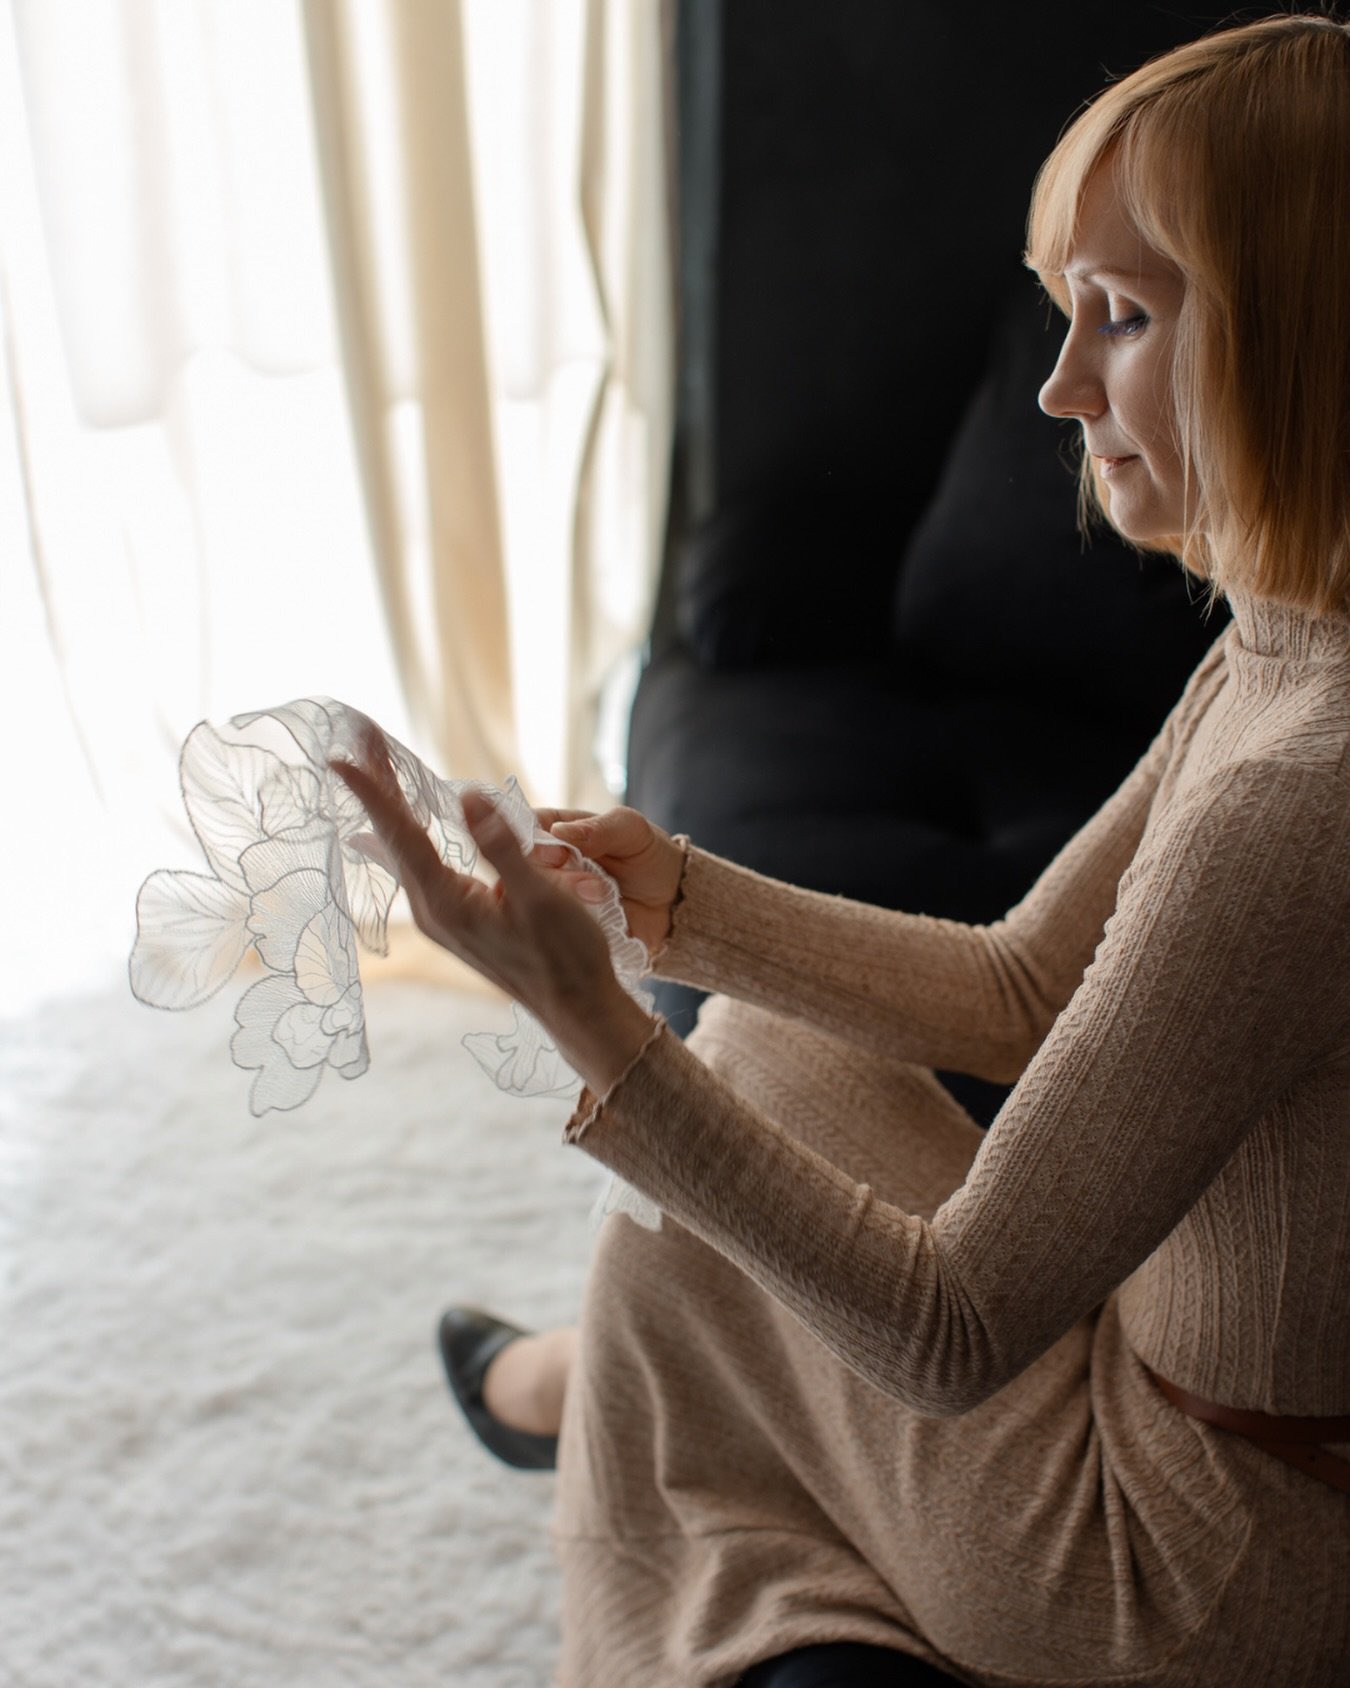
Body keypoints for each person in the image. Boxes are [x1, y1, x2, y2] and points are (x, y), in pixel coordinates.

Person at [335, 15, 1350, 1686]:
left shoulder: (1297, 800)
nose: (1058, 384)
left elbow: (951, 1337)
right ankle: (596, 1386)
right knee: (768, 1048)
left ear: (1300, 336)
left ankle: (597, 1416)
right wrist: (676, 896)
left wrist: (591, 1020)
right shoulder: (1285, 641)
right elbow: (1029, 985)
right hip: (1206, 1447)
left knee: (722, 1155)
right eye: (1062, 313)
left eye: (1124, 316)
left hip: (1183, 1581)